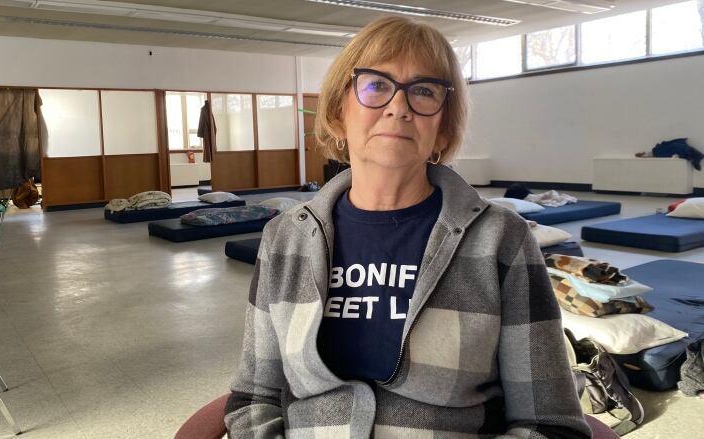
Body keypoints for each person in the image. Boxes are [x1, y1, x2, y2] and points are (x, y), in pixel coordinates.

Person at [224, 15, 591, 439]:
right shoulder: (284, 238)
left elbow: (550, 421)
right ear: (339, 113)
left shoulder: (500, 239)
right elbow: (254, 396)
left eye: (423, 91)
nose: (399, 107)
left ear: (443, 128)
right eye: (376, 85)